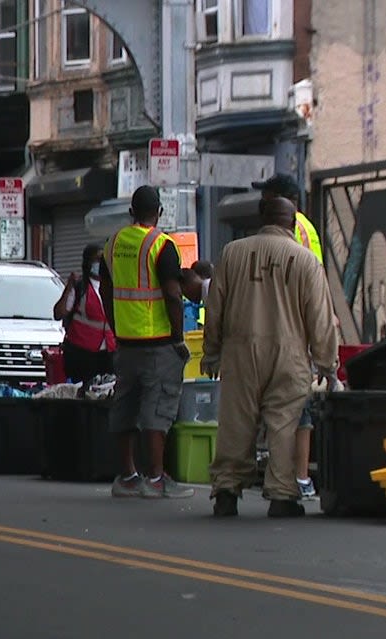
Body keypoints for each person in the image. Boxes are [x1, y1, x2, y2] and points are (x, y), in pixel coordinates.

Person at [203, 198, 339, 518]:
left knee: (236, 422)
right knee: (284, 424)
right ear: (293, 223)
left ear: (261, 218)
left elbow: (214, 309)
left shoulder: (232, 253)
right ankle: (281, 495)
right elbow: (320, 318)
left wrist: (211, 352)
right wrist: (327, 363)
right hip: (289, 352)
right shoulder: (306, 261)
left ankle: (226, 490)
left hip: (239, 350)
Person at [100, 186, 197, 500]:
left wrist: (116, 327)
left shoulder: (113, 243)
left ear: (131, 211)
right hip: (157, 342)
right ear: (160, 212)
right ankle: (155, 479)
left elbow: (106, 290)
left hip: (126, 342)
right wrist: (178, 338)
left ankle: (127, 477)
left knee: (125, 407)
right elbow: (172, 292)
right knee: (157, 409)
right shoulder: (161, 244)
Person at [53, 244, 116, 383]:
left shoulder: (113, 285)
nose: (100, 264)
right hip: (82, 353)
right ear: (88, 262)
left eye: (103, 260)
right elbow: (59, 312)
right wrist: (69, 286)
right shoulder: (80, 286)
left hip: (108, 352)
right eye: (97, 260)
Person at [253, 173, 324, 267]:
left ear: (278, 198)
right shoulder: (295, 222)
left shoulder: (295, 225)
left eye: (265, 196)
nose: (263, 201)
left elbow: (306, 270)